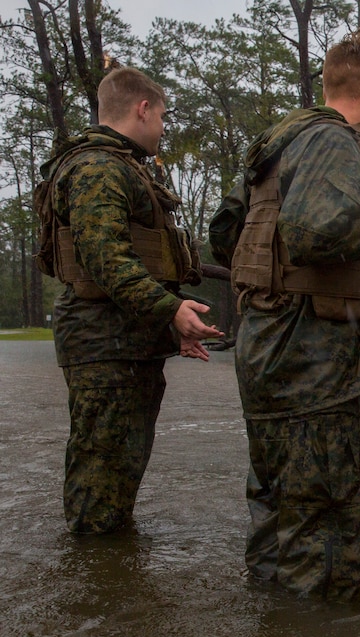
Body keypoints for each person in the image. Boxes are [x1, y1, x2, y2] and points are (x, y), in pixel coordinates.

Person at [208, 31, 360, 600]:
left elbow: (225, 235)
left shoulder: (277, 146)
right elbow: (317, 234)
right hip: (314, 374)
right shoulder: (333, 143)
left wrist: (276, 287)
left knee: (277, 522)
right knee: (329, 538)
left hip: (266, 358)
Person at [38, 67, 223, 535]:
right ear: (142, 109)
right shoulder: (99, 168)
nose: (162, 128)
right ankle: (93, 582)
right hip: (104, 346)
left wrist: (169, 323)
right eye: (161, 117)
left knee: (119, 468)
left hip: (123, 342)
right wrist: (170, 310)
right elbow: (107, 259)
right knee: (101, 474)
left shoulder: (119, 166)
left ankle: (107, 572)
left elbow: (142, 259)